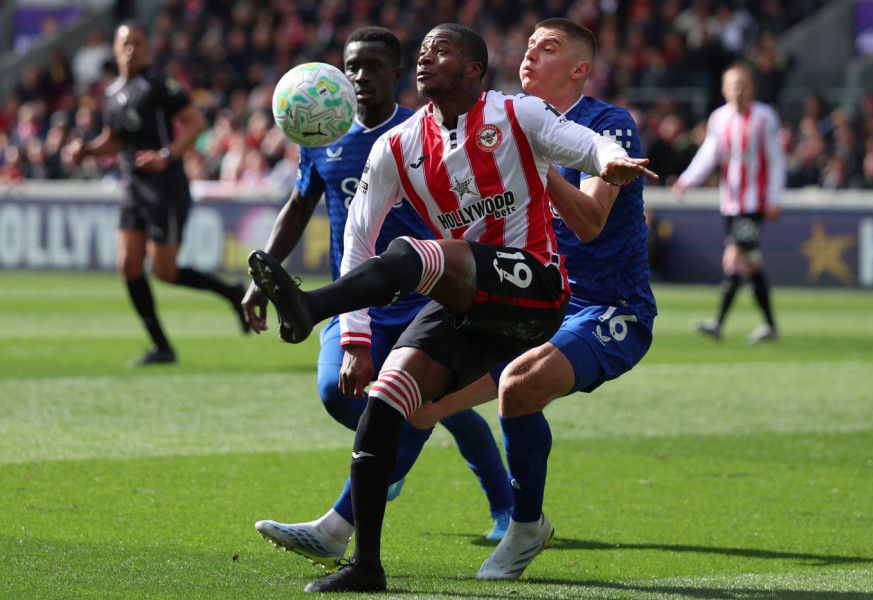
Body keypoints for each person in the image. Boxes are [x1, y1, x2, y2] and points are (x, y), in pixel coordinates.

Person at [248, 23, 656, 593]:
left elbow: (589, 149)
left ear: (472, 71)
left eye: (439, 50)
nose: (423, 58)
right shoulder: (399, 145)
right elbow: (358, 241)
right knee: (392, 402)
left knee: (421, 256)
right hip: (474, 302)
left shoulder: (519, 115)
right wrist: (358, 340)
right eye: (421, 51)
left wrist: (610, 160)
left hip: (537, 289)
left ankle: (310, 307)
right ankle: (364, 562)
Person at [241, 27, 514, 559]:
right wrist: (261, 275)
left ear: (396, 73)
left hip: (422, 299)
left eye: (372, 66)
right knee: (337, 393)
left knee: (430, 409)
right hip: (357, 299)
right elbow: (300, 205)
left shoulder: (422, 131)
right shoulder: (321, 135)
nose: (361, 76)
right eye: (352, 66)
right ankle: (389, 457)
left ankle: (501, 509)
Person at [64, 20, 247, 366]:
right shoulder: (113, 91)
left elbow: (196, 122)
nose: (131, 49)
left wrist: (166, 156)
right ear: (114, 50)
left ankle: (232, 292)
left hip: (166, 187)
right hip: (133, 187)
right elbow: (114, 139)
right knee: (128, 264)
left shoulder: (158, 83)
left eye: (137, 43)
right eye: (125, 44)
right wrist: (85, 151)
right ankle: (161, 345)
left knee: (164, 270)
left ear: (147, 48)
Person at [674, 61, 785, 344]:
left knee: (734, 257)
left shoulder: (764, 117)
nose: (738, 90)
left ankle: (718, 323)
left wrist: (773, 198)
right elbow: (709, 154)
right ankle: (770, 326)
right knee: (750, 263)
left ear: (752, 88)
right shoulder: (719, 119)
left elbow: (775, 160)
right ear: (724, 89)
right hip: (731, 204)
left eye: (743, 84)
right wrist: (688, 179)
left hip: (755, 204)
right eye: (733, 84)